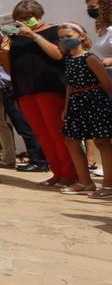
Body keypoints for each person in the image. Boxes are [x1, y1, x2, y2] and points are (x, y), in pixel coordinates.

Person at [0, 0, 77, 189]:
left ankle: (70, 175)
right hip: (24, 91)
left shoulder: (54, 31)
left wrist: (34, 36)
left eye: (27, 18)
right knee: (42, 134)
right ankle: (57, 173)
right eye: (19, 19)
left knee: (57, 134)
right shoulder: (16, 38)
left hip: (49, 87)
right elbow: (3, 64)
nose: (23, 22)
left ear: (38, 15)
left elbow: (58, 55)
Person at [56, 23, 112, 198]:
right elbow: (70, 86)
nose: (65, 40)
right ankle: (85, 182)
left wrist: (98, 100)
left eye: (68, 36)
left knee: (102, 142)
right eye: (62, 37)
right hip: (76, 103)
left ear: (81, 37)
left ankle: (109, 185)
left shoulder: (90, 58)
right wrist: (66, 107)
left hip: (94, 101)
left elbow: (107, 83)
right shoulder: (69, 60)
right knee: (71, 140)